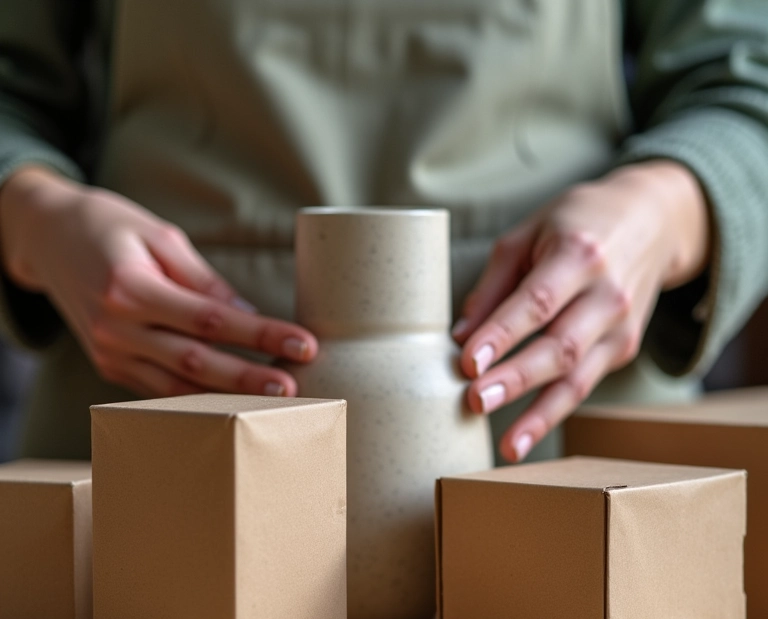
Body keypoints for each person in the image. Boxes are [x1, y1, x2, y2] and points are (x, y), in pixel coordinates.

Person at [0, 0, 767, 462]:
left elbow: (749, 76)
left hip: (566, 452)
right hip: (164, 449)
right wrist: (37, 215)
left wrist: (664, 206)